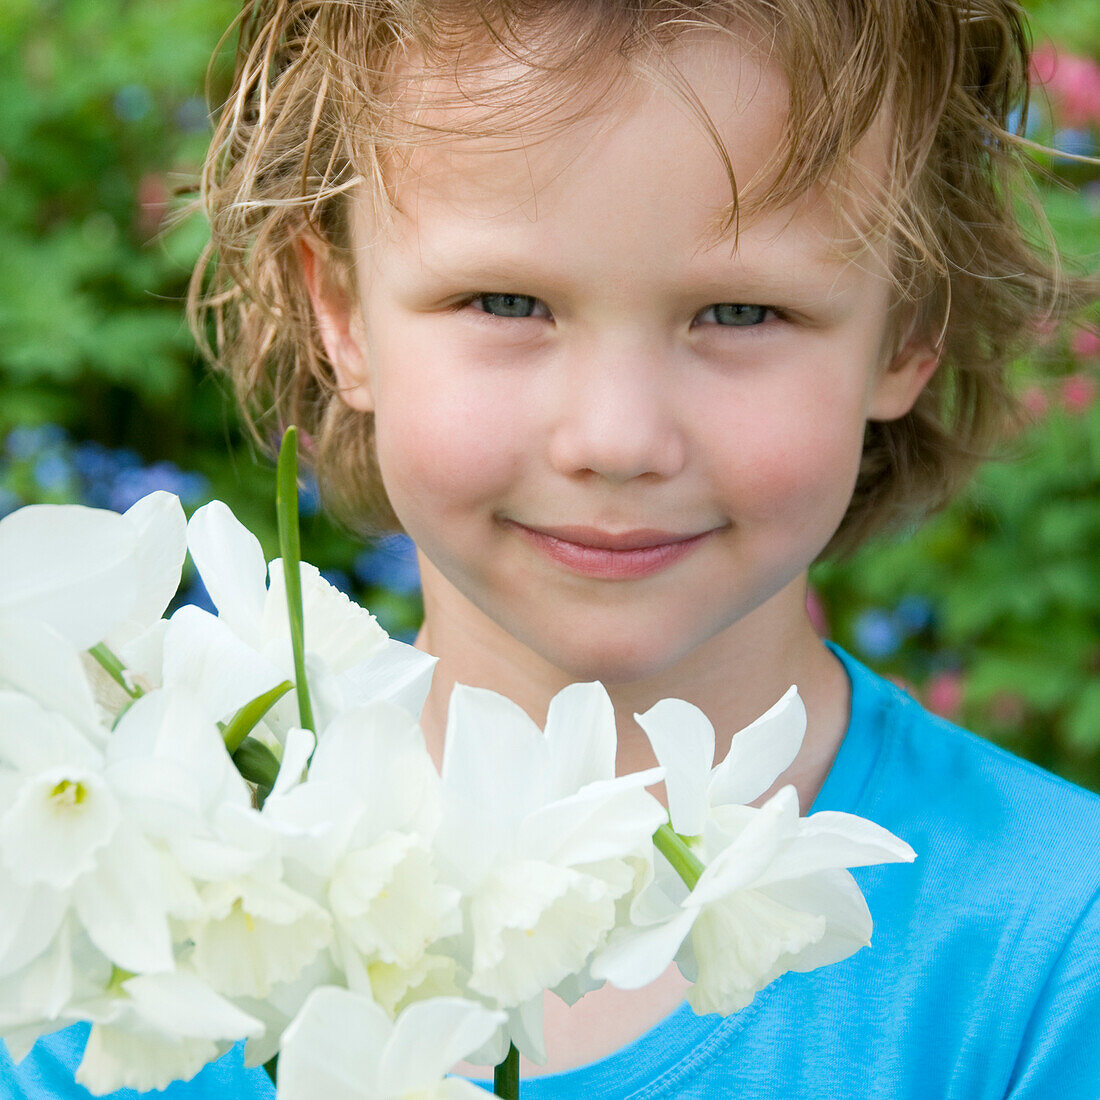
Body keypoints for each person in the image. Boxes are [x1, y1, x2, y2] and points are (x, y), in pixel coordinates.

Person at [4, 1, 1099, 1097]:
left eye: (740, 312)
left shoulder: (1050, 956)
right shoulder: (104, 939)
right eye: (507, 301)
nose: (614, 438)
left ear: (905, 330)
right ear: (339, 310)